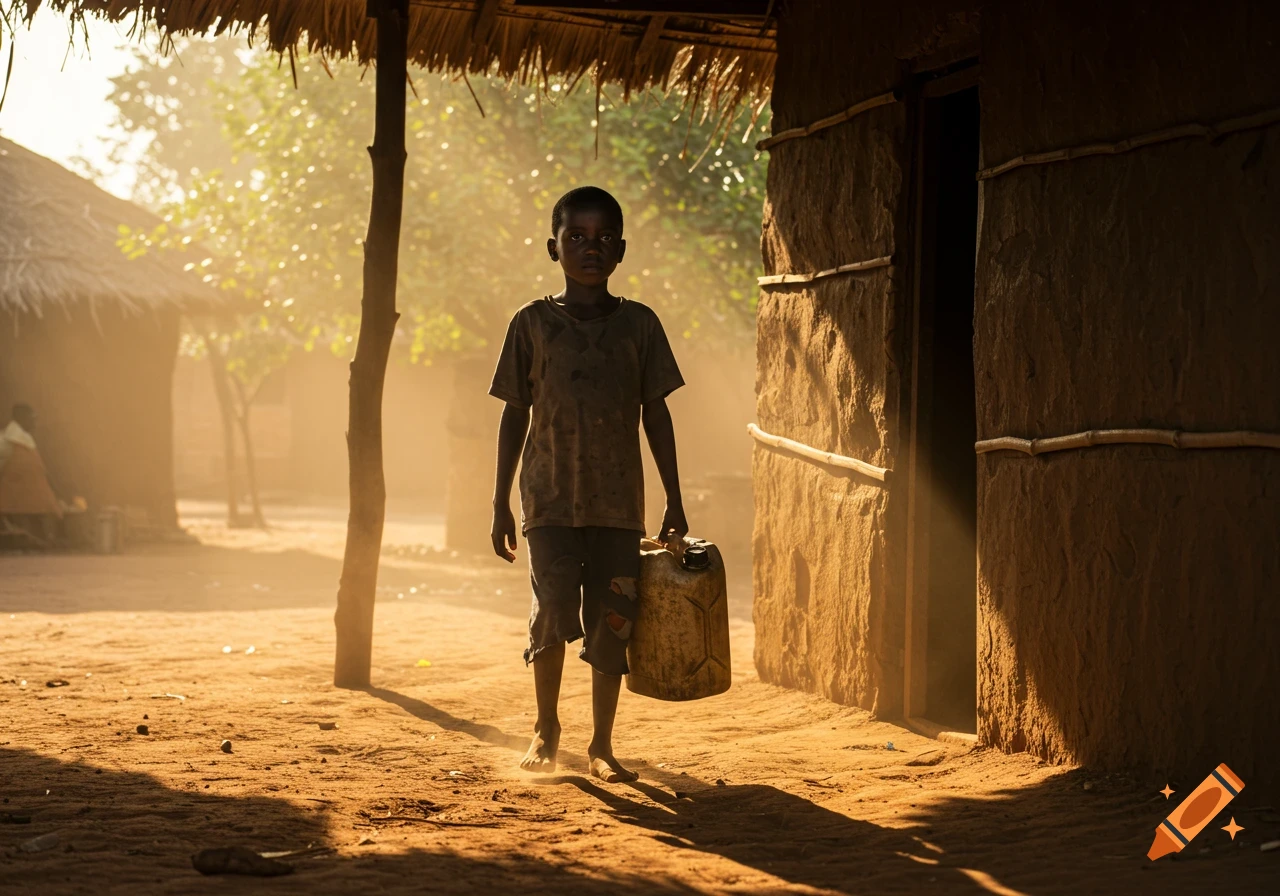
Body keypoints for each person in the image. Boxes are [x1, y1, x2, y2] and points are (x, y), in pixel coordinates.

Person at [489, 186, 688, 784]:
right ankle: (546, 725)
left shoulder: (640, 326)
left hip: (619, 503)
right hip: (547, 498)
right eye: (576, 236)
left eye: (603, 239)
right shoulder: (530, 324)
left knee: (614, 619)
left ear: (621, 250)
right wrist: (498, 499)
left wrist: (675, 495)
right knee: (551, 610)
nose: (589, 248)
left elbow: (657, 412)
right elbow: (513, 415)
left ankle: (602, 743)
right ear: (553, 247)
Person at [0, 403, 63, 543]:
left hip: (35, 498)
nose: (35, 422)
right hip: (16, 499)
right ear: (21, 418)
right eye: (32, 418)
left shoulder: (25, 439)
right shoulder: (6, 441)